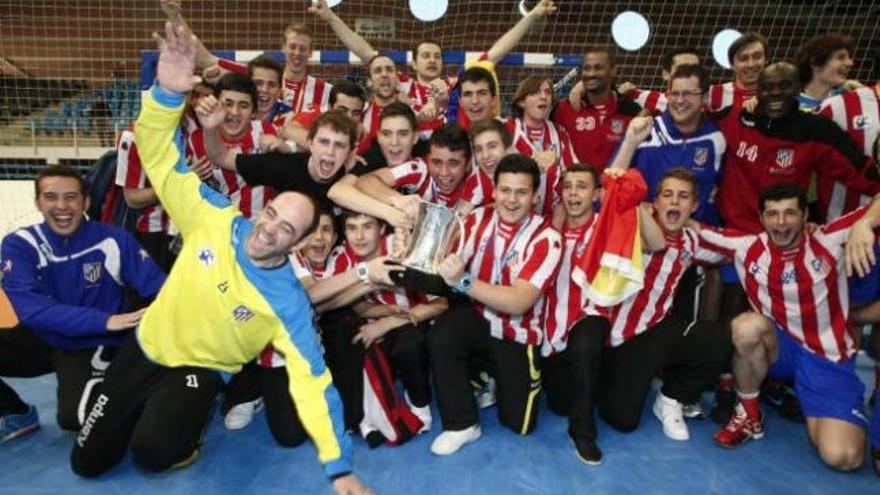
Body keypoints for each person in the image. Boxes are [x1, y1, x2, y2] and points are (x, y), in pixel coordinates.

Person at [69, 24, 373, 495]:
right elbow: (162, 161)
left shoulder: (288, 302)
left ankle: (185, 427)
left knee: (153, 455)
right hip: (148, 346)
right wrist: (167, 95)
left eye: (286, 230)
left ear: (297, 246)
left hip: (200, 369)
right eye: (272, 214)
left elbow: (315, 384)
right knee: (86, 465)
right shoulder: (216, 219)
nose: (269, 228)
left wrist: (339, 466)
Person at [697, 183, 880, 472]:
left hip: (826, 358)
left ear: (805, 215)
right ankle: (749, 414)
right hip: (779, 349)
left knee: (844, 457)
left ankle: (819, 403)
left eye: (789, 213)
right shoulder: (747, 247)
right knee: (746, 327)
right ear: (761, 218)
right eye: (772, 214)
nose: (780, 222)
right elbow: (692, 230)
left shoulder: (830, 239)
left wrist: (866, 222)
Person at [0, 165, 164, 442]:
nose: (61, 206)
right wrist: (104, 319)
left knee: (76, 420)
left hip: (93, 342)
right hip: (43, 336)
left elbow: (160, 288)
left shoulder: (113, 239)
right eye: (51, 197)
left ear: (85, 202)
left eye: (71, 197)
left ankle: (134, 387)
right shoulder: (20, 244)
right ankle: (16, 413)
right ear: (38, 202)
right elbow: (32, 309)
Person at [428, 154, 563, 455]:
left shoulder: (548, 238)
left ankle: (493, 374)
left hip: (518, 334)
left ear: (535, 196)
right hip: (478, 319)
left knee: (520, 425)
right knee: (443, 332)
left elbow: (518, 302)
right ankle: (462, 424)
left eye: (521, 192)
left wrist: (463, 281)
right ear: (493, 189)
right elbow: (446, 263)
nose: (511, 200)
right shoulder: (476, 220)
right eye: (505, 190)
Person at [588, 168, 730, 442]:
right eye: (668, 195)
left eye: (683, 197)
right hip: (620, 337)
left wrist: (701, 227)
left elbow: (733, 248)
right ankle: (612, 378)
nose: (675, 202)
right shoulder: (634, 226)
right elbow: (612, 201)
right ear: (656, 202)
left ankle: (671, 397)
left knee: (717, 340)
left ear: (694, 206)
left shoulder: (691, 241)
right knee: (622, 420)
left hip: (659, 329)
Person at [187, 72, 288, 219]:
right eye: (227, 104)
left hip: (258, 229)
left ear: (254, 112)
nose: (234, 112)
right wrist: (188, 179)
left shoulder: (268, 132)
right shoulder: (195, 140)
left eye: (243, 105)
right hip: (215, 229)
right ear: (215, 104)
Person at [553, 45, 642, 170]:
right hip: (575, 188)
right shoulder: (564, 110)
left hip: (615, 188)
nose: (591, 74)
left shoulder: (630, 111)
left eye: (598, 68)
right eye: (587, 68)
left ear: (613, 70)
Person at [506, 75, 579, 216]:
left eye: (548, 92)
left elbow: (573, 174)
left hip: (549, 219)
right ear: (521, 102)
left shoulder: (559, 133)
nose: (544, 96)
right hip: (512, 215)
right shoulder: (507, 129)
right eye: (536, 92)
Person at [706, 33, 768, 113]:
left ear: (766, 60)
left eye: (757, 57)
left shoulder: (776, 95)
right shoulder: (712, 94)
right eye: (743, 58)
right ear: (731, 64)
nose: (751, 64)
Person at [795, 33, 855, 112]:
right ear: (815, 63)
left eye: (849, 57)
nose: (850, 63)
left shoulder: (848, 99)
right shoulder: (791, 105)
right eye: (841, 57)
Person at [247, 54, 293, 125]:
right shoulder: (238, 114)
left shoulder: (289, 119)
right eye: (258, 83)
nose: (265, 90)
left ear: (279, 91)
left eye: (272, 85)